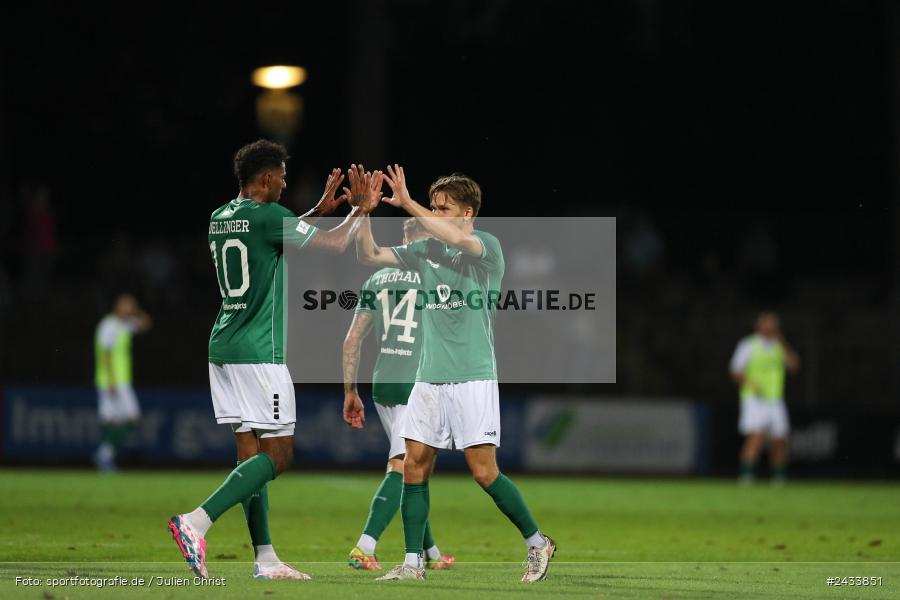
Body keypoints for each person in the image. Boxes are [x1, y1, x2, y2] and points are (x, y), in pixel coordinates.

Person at [167, 141, 381, 580]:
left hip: (223, 347)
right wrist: (359, 209)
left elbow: (275, 235)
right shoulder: (270, 217)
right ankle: (195, 521)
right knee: (279, 456)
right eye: (282, 175)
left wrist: (320, 209)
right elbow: (338, 245)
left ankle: (265, 559)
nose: (286, 182)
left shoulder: (221, 216)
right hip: (259, 353)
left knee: (250, 460)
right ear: (265, 178)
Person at [355, 165, 556, 582]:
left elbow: (458, 239)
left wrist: (408, 203)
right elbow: (369, 256)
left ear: (467, 213)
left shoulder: (486, 246)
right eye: (432, 206)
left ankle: (537, 542)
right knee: (414, 465)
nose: (434, 213)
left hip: (472, 375)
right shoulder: (425, 250)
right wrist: (364, 213)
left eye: (442, 208)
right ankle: (412, 564)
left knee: (483, 472)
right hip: (428, 377)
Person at [343, 218, 455, 571]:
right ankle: (365, 546)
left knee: (414, 464)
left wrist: (350, 390)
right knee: (405, 465)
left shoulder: (376, 278)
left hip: (383, 384)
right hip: (416, 383)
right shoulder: (433, 273)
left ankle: (432, 553)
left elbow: (352, 341)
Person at [729, 311, 801, 485]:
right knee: (756, 436)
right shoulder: (748, 344)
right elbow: (735, 371)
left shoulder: (779, 346)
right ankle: (746, 476)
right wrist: (750, 383)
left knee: (780, 439)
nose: (771, 326)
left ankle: (779, 477)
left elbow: (794, 366)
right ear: (759, 325)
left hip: (775, 399)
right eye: (768, 323)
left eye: (774, 323)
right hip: (754, 399)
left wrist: (782, 341)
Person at [93, 293, 152, 472]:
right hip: (112, 381)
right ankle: (104, 455)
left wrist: (136, 311)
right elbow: (105, 353)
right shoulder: (109, 325)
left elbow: (146, 324)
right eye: (126, 305)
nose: (128, 309)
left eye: (131, 306)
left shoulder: (124, 325)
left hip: (122, 380)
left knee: (117, 420)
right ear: (117, 306)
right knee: (129, 416)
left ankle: (104, 455)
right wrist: (110, 380)